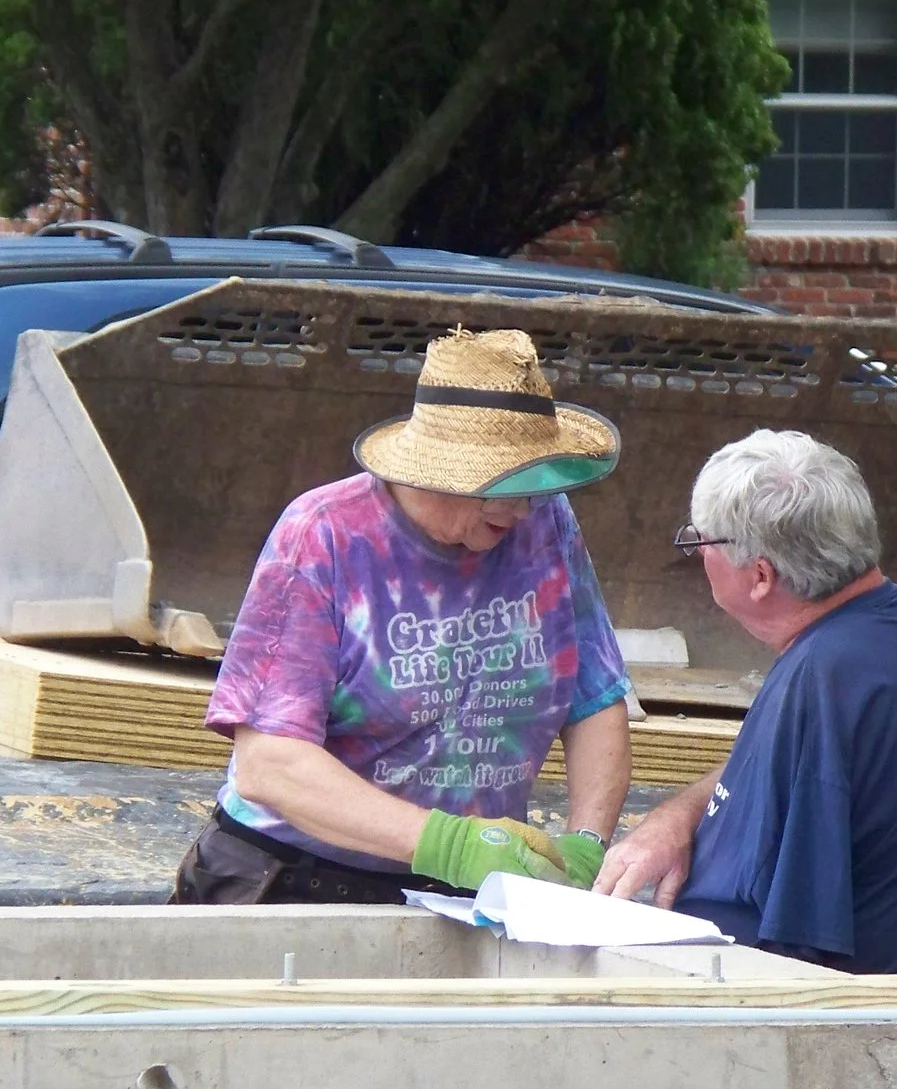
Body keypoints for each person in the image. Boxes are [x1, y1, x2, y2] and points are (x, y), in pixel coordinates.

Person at [172, 327, 635, 905]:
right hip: (293, 876)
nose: (521, 509)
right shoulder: (325, 535)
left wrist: (587, 843)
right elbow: (269, 764)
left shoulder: (547, 524)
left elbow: (594, 699)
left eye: (535, 484)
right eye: (504, 486)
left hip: (464, 895)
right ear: (436, 470)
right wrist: (449, 844)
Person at [595, 429, 897, 971]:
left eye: (700, 541)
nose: (697, 554)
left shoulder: (821, 677)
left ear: (761, 575)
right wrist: (676, 819)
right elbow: (787, 776)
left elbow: (789, 947)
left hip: (845, 1029)